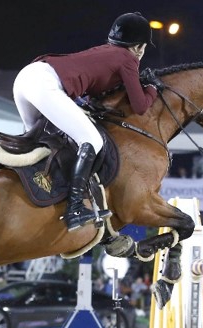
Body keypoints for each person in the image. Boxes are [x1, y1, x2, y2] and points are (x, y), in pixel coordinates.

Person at [13, 12, 159, 230]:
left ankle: (34, 195)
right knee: (92, 141)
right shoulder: (128, 58)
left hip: (26, 77)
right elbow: (140, 106)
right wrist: (152, 89)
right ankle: (75, 209)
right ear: (139, 47)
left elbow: (91, 98)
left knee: (40, 143)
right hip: (45, 84)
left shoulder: (105, 52)